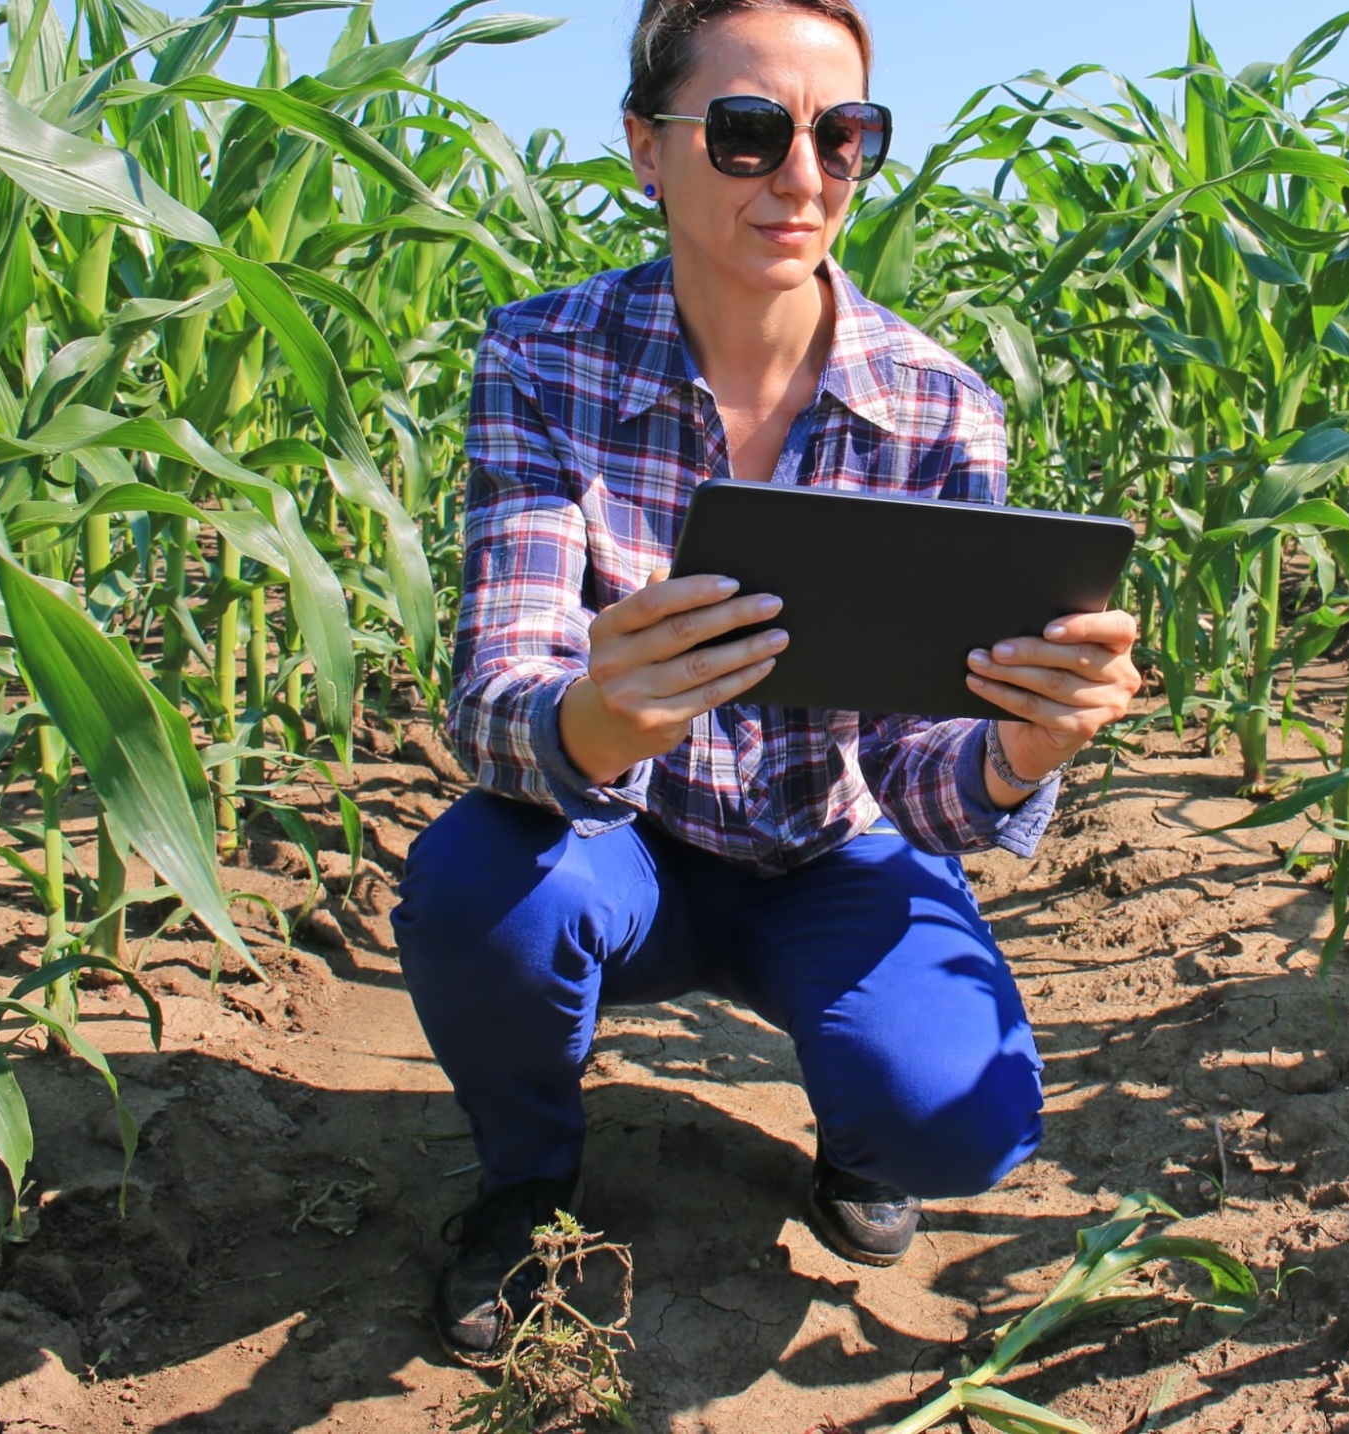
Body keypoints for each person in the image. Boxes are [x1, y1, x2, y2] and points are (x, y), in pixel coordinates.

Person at [389, 0, 1140, 1365]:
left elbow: (922, 772)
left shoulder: (938, 406)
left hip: (833, 849)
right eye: (747, 132)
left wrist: (1025, 747)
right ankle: (526, 1176)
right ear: (645, 147)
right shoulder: (543, 360)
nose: (803, 176)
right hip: (617, 834)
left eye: (843, 134)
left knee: (959, 1113)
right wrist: (595, 715)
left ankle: (864, 1139)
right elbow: (492, 694)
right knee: (477, 892)